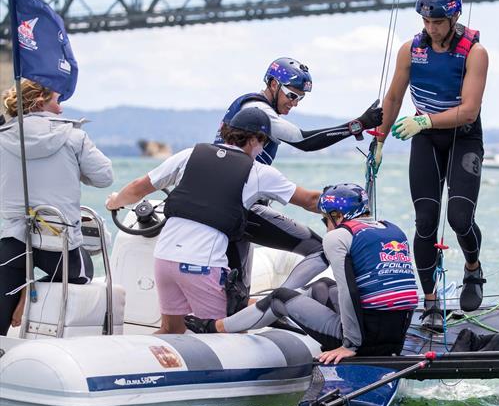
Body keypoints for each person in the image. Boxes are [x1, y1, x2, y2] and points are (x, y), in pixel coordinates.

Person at [106, 108, 320, 334]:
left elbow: (137, 187)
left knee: (171, 330)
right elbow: (311, 200)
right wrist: (346, 207)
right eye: (263, 143)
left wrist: (114, 202)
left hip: (164, 259)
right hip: (200, 266)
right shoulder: (258, 172)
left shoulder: (189, 154)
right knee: (224, 332)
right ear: (257, 140)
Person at [216, 57, 383, 312]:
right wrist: (356, 126)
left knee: (236, 293)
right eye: (292, 95)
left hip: (229, 205)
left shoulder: (249, 109)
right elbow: (304, 141)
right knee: (318, 248)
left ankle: (249, 309)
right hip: (239, 210)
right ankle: (278, 303)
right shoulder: (259, 111)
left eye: (300, 99)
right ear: (273, 84)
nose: (294, 103)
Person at [185, 183, 418, 364]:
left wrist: (351, 345)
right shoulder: (392, 230)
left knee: (280, 298)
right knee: (322, 286)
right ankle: (267, 310)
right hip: (395, 333)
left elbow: (349, 292)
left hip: (365, 339)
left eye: (325, 219)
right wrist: (284, 291)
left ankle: (214, 327)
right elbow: (319, 263)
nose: (325, 224)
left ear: (337, 216)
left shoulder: (338, 236)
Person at [369, 0, 490, 328]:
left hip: (463, 138)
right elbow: (393, 99)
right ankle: (431, 301)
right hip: (426, 140)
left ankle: (472, 268)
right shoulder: (411, 50)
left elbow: (468, 111)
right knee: (425, 222)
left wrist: (424, 120)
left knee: (459, 218)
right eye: (426, 21)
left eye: (437, 22)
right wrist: (380, 141)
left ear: (453, 19)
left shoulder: (474, 52)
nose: (431, 28)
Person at [0, 79, 113, 335]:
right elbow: (104, 177)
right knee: (83, 275)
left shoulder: (2, 137)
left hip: (14, 240)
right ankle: (29, 291)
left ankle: (22, 289)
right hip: (59, 243)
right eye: (57, 101)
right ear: (41, 101)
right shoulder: (74, 136)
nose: (61, 109)